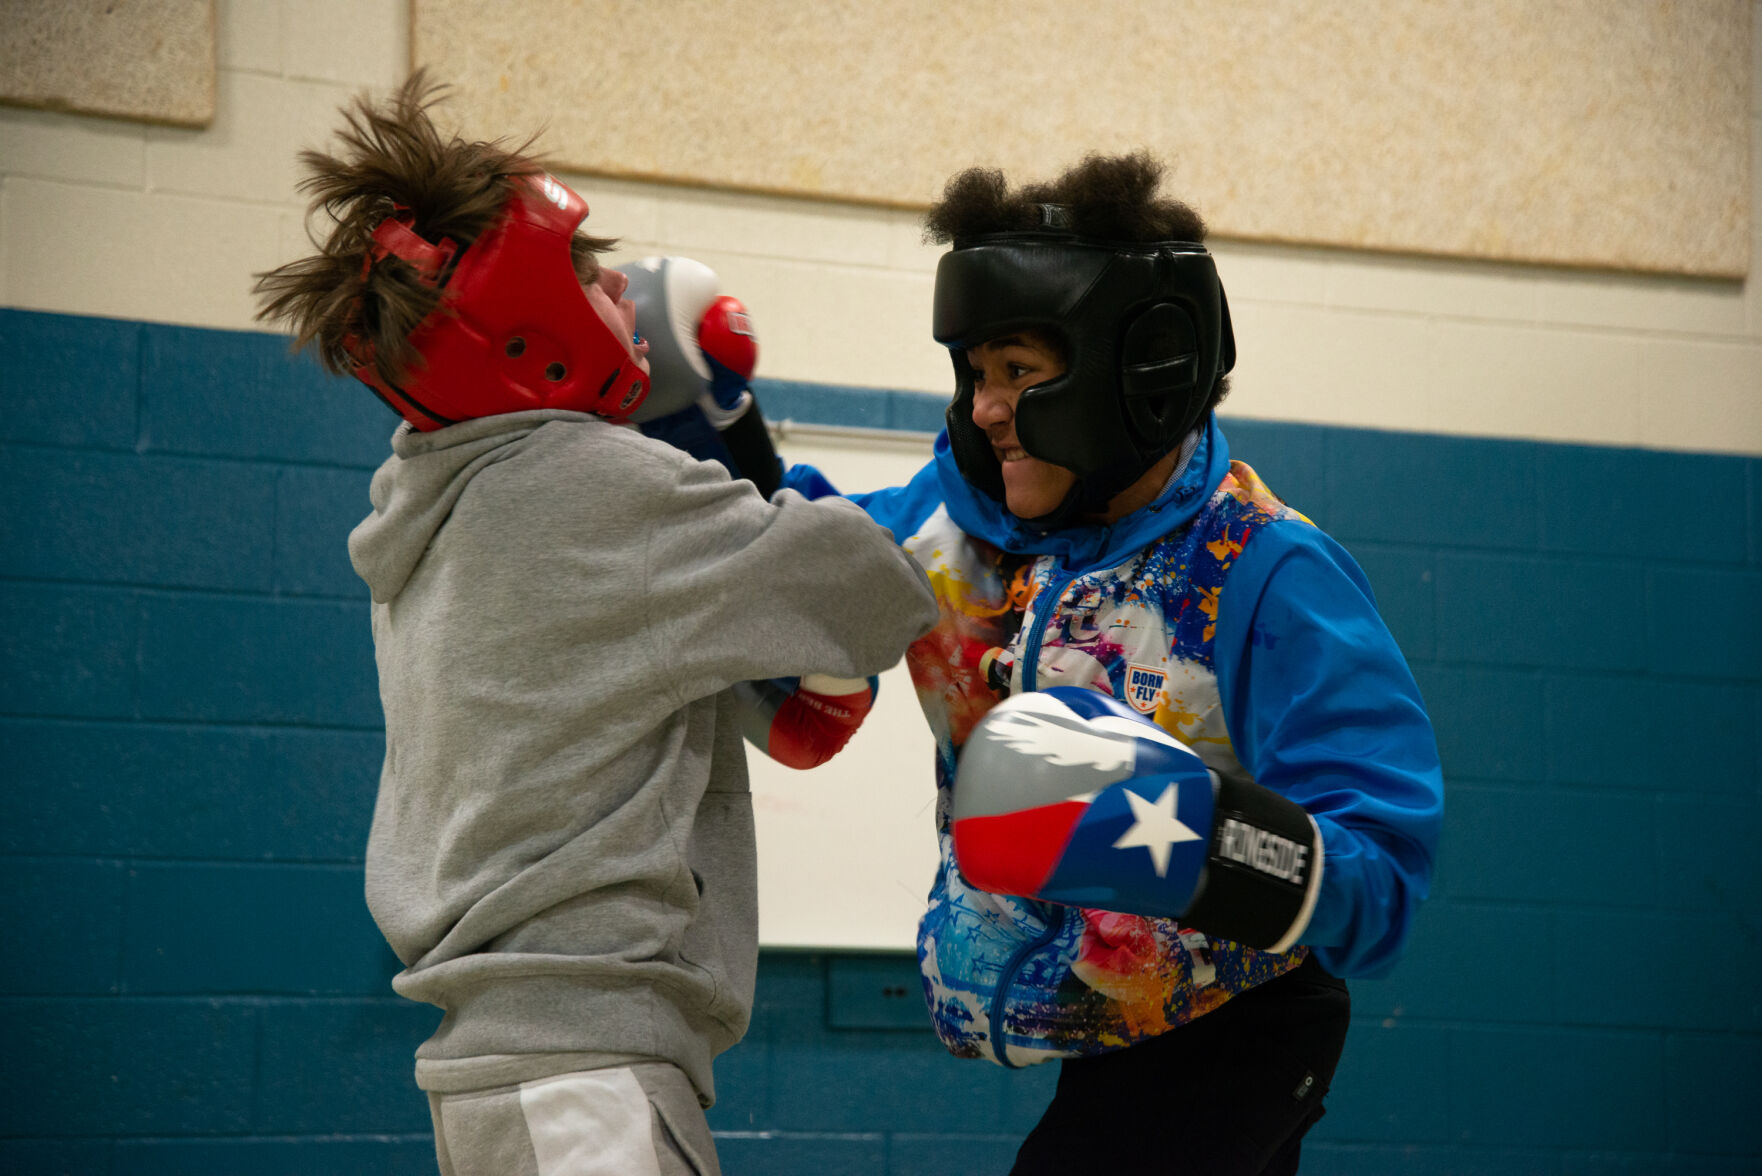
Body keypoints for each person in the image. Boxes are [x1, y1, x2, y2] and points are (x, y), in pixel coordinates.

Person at [252, 74, 937, 1176]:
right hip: (584, 1074)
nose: (621, 284)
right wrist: (738, 426)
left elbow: (796, 718)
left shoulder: (435, 500)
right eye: (586, 272)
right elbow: (867, 587)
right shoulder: (586, 485)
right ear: (533, 328)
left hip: (513, 1067)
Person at [837, 153, 1445, 1175]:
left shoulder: (1265, 568)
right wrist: (703, 428)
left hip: (1239, 1034)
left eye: (1020, 373)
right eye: (976, 375)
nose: (986, 408)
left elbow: (1384, 881)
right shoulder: (959, 535)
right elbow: (800, 549)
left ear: (1141, 368)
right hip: (1110, 1042)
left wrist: (1201, 838)